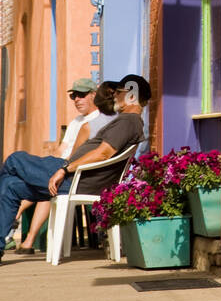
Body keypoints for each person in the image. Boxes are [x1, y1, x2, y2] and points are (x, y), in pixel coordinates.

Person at [0, 74, 151, 263]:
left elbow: (103, 153)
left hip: (74, 179)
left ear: (131, 95)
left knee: (14, 160)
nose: (115, 97)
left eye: (119, 93)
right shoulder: (129, 121)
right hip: (75, 178)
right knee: (10, 186)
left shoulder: (128, 121)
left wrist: (65, 169)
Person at [7, 79, 116, 255]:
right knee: (34, 179)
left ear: (93, 95)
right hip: (59, 166)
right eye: (74, 96)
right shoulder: (76, 122)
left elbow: (77, 155)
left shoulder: (96, 122)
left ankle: (18, 223)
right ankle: (25, 239)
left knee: (16, 163)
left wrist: (54, 168)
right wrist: (44, 164)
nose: (77, 100)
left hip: (73, 171)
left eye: (81, 95)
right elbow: (61, 150)